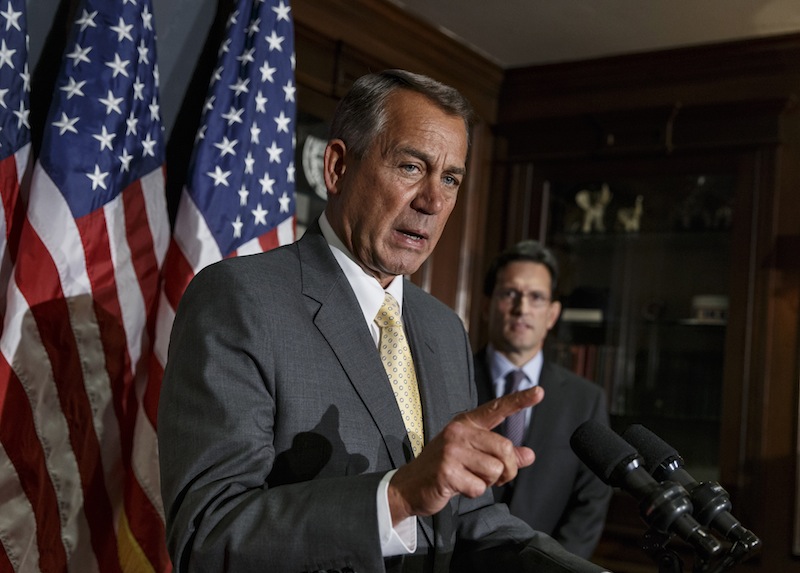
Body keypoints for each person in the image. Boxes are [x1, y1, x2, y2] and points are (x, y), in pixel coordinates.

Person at [158, 69, 611, 573]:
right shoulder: (239, 300)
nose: (433, 201)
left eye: (451, 178)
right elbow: (208, 536)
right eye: (411, 166)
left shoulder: (442, 327)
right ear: (337, 167)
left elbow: (464, 518)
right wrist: (395, 497)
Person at [474, 240, 612, 559]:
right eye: (510, 293)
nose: (522, 308)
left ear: (552, 314)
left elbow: (590, 503)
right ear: (486, 305)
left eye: (536, 297)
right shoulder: (450, 379)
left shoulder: (586, 400)